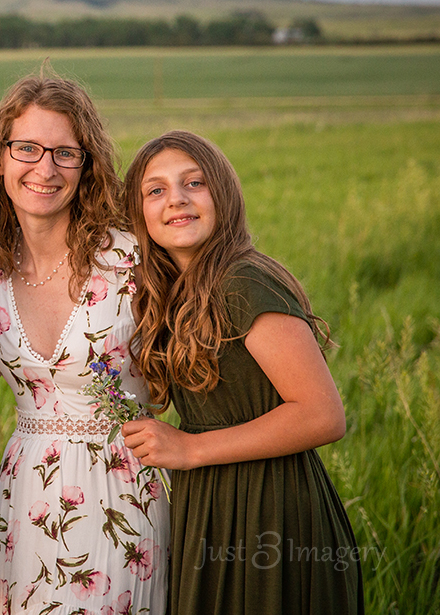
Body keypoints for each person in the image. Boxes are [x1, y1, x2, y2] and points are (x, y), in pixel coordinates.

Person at [122, 130, 364, 614]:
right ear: (139, 214)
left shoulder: (241, 280)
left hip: (269, 507)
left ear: (224, 194)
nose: (177, 199)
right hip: (213, 503)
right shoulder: (180, 291)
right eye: (156, 190)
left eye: (194, 183)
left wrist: (189, 448)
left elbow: (322, 415)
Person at [0, 76, 169, 614]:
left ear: (86, 166)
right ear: (1, 158)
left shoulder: (132, 260)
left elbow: (193, 372)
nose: (45, 168)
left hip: (120, 495)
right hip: (23, 499)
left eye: (64, 153)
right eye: (27, 148)